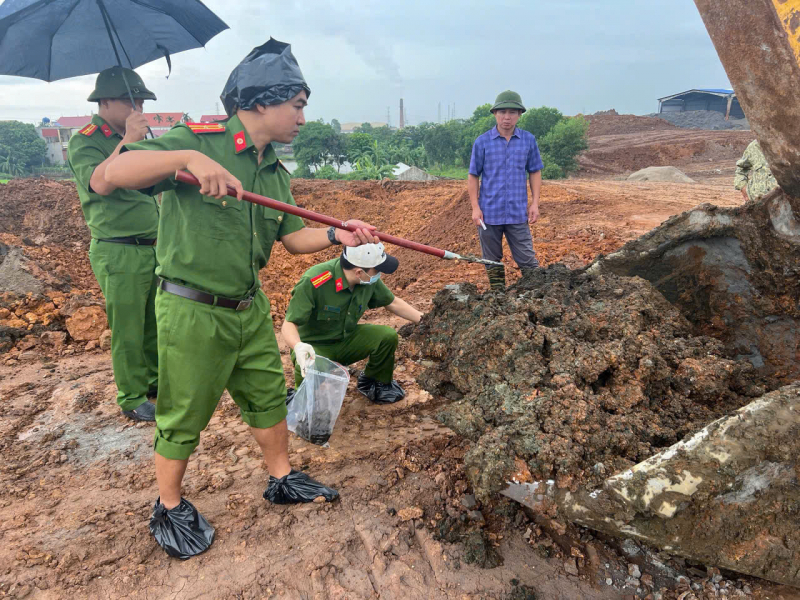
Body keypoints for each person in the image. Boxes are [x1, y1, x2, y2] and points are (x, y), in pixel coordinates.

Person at [102, 39, 377, 559]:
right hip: (192, 308)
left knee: (267, 395)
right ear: (259, 103)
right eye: (296, 105)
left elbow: (294, 238)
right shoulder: (195, 142)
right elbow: (109, 176)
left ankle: (281, 477)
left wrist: (341, 235)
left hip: (247, 306)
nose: (301, 117)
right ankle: (169, 504)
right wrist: (184, 156)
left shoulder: (273, 170)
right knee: (184, 412)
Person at [67, 67, 159, 422]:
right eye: (129, 100)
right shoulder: (85, 140)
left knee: (153, 320)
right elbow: (101, 184)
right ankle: (132, 396)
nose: (137, 107)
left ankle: (154, 382)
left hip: (152, 245)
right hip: (118, 248)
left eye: (141, 101)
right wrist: (128, 142)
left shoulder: (134, 138)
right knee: (128, 327)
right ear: (104, 102)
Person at [281, 243, 422, 405]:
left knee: (387, 337)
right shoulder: (315, 281)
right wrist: (298, 346)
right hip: (315, 348)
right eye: (377, 271)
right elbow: (289, 323)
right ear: (359, 272)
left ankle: (374, 381)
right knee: (310, 370)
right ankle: (304, 397)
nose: (379, 275)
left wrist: (425, 319)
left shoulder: (367, 280)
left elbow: (392, 303)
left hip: (346, 341)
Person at [468, 90, 543, 291]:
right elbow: (473, 175)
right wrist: (475, 208)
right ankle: (498, 296)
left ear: (519, 115)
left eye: (512, 112)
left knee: (527, 259)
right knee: (492, 261)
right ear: (495, 114)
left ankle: (537, 294)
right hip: (489, 213)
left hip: (518, 213)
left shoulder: (528, 140)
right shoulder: (482, 142)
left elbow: (535, 171)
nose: (506, 117)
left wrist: (534, 203)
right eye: (502, 112)